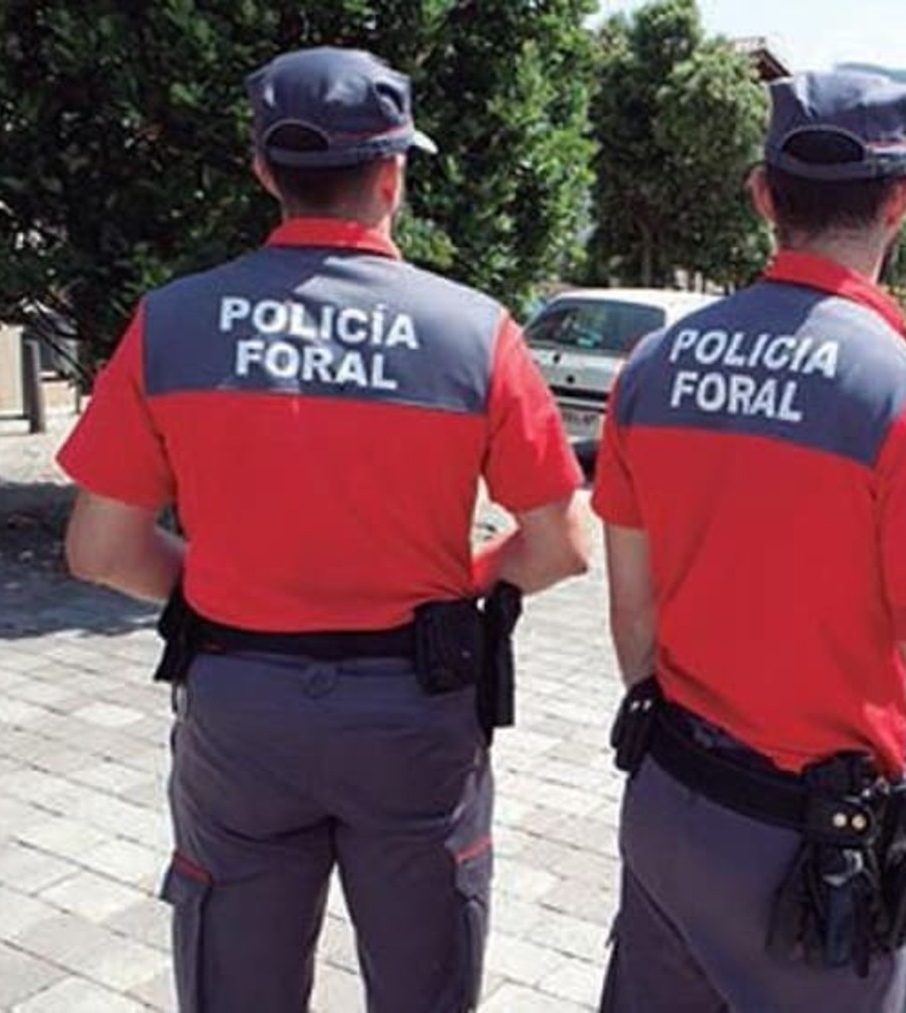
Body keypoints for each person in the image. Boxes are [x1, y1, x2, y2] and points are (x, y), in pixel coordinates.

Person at [57, 46, 590, 1012]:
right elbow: (562, 543)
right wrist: (467, 572)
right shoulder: (474, 332)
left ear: (266, 172)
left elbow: (100, 548)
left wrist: (224, 582)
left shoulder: (173, 322)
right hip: (413, 714)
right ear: (393, 174)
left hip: (239, 711)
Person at [592, 70, 906, 1011]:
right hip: (810, 869)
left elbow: (633, 609)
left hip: (668, 805)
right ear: (902, 199)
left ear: (761, 194)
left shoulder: (655, 365)